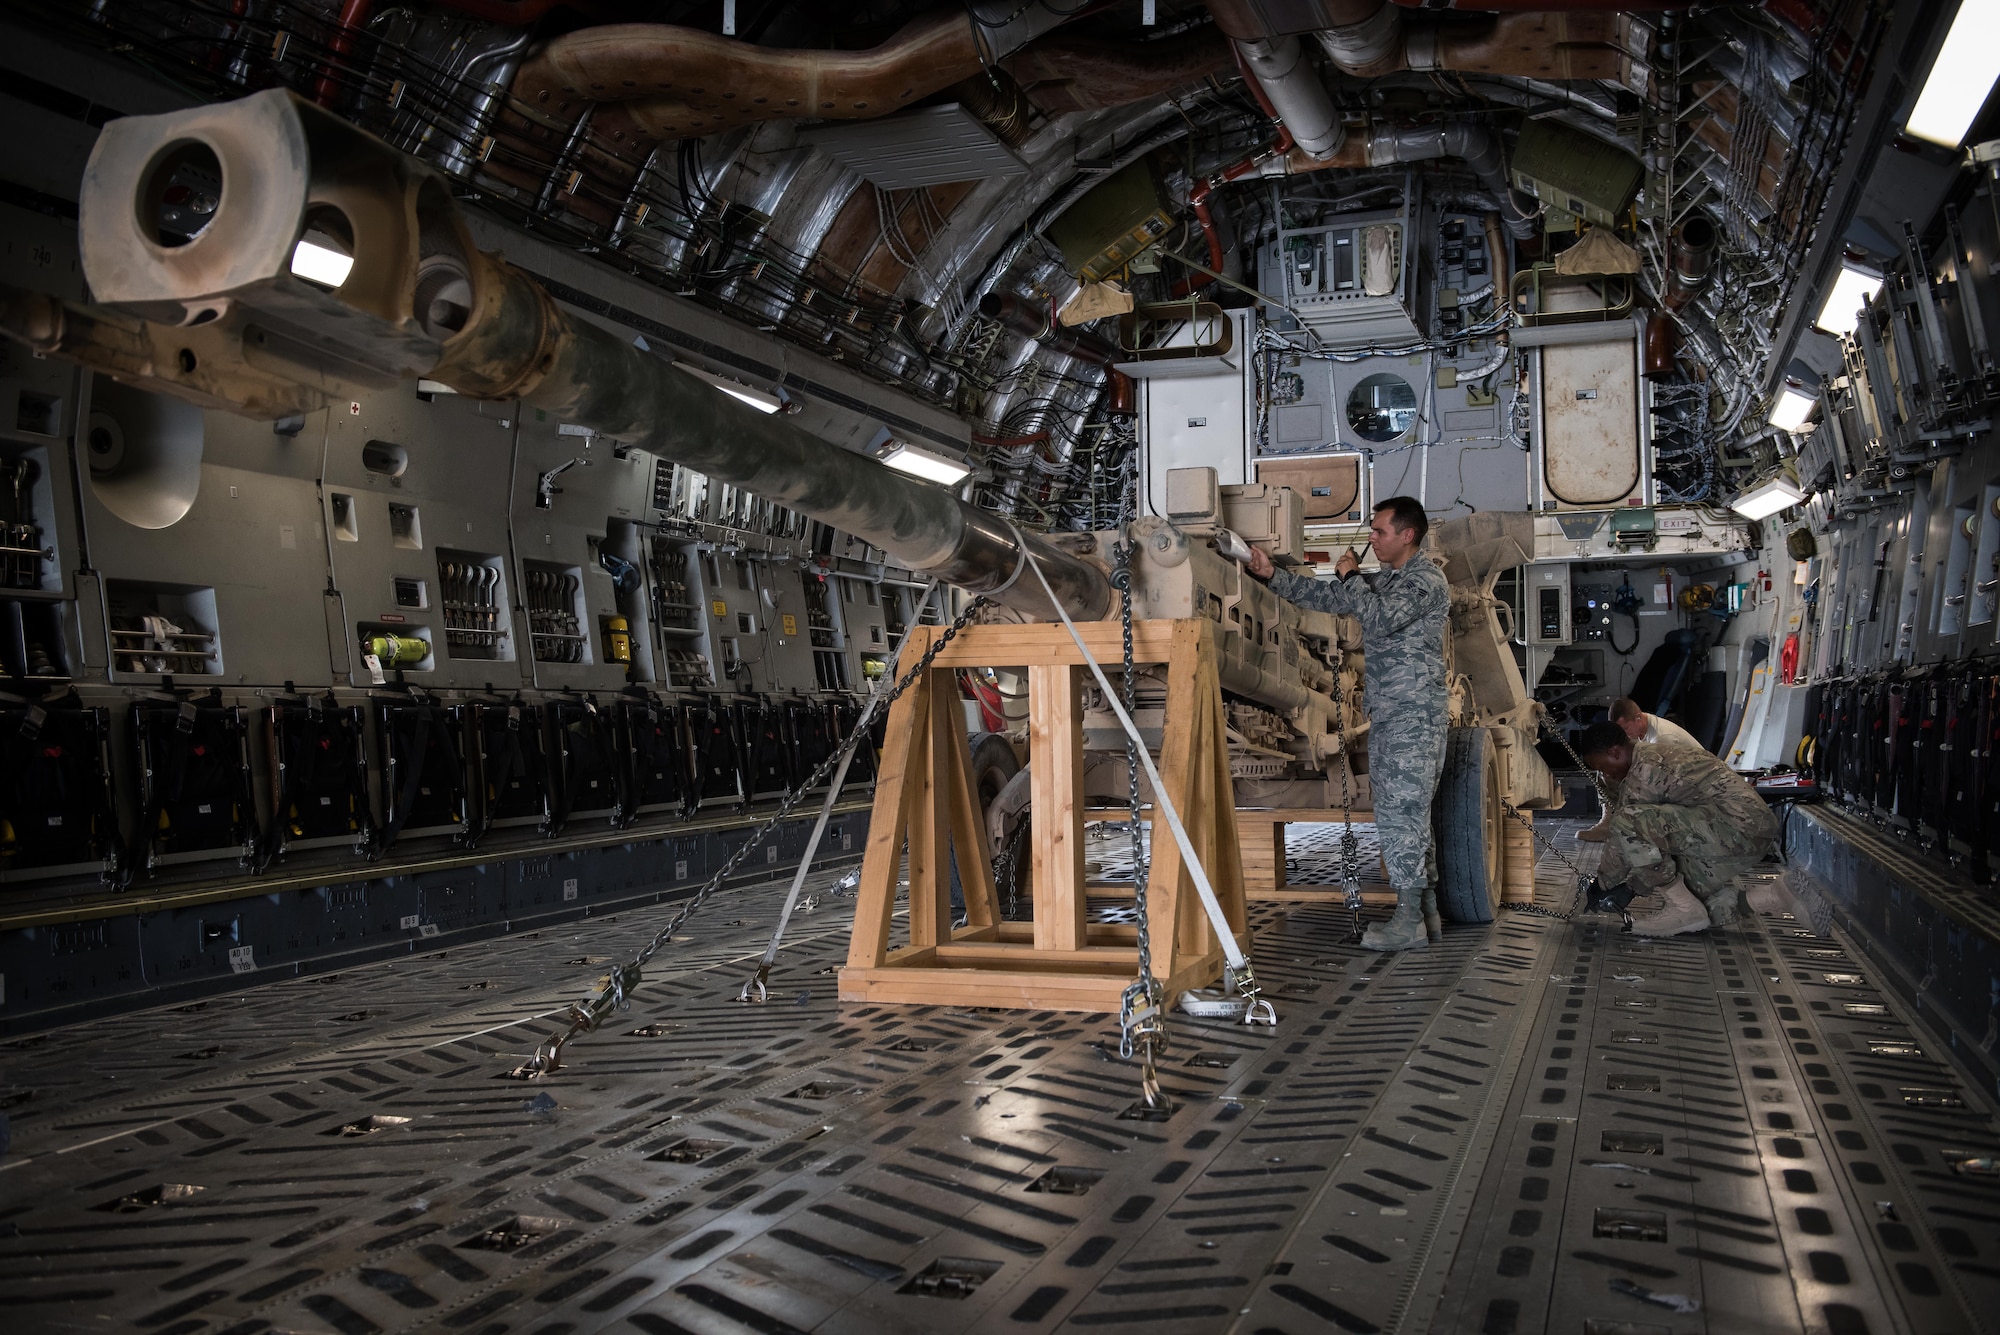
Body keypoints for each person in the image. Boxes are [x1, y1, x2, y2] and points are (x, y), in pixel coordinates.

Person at [1246, 496, 1449, 950]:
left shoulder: (1426, 581)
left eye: (1379, 532)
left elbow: (1376, 618)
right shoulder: (1389, 580)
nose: (1372, 539)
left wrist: (1353, 576)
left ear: (1407, 535)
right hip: (1397, 716)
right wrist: (1269, 574)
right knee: (1410, 815)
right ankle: (1426, 914)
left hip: (1412, 718)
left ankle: (1408, 922)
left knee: (1400, 816)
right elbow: (1326, 597)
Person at [1573, 720, 1778, 935]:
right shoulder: (1652, 754)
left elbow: (1624, 833)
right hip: (1745, 830)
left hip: (1739, 829)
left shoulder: (1645, 773)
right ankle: (1780, 895)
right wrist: (1632, 887)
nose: (1605, 775)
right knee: (1703, 910)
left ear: (1614, 752)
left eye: (1602, 767)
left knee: (1629, 821)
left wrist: (1602, 884)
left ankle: (1682, 908)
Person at [1578, 699, 1704, 841]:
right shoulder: (1640, 730)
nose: (1623, 735)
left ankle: (1624, 826)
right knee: (1607, 771)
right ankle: (1609, 822)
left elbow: (1660, 783)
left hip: (1692, 794)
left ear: (1638, 718)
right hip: (1674, 784)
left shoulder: (1663, 738)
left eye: (1625, 729)